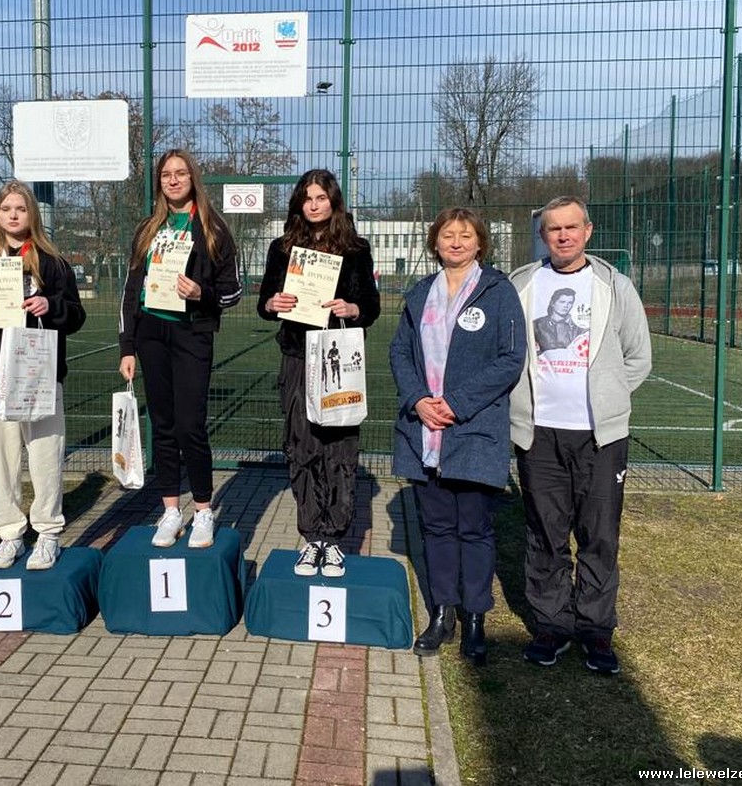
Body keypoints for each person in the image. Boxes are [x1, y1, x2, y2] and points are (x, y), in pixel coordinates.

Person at [510, 195, 652, 675]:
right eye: (554, 229)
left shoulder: (615, 285)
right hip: (539, 434)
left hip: (600, 437)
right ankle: (552, 625)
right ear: (543, 235)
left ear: (588, 231)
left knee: (599, 535)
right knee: (545, 533)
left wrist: (607, 398)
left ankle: (595, 630)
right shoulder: (522, 284)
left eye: (572, 227)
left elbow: (638, 357)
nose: (564, 235)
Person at [389, 208, 525, 664]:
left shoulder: (498, 292)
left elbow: (510, 359)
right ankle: (442, 613)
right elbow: (399, 352)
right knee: (436, 528)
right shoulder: (419, 293)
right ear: (435, 242)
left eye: (466, 235)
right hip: (424, 430)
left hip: (472, 431)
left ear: (480, 243)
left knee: (474, 528)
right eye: (448, 234)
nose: (456, 242)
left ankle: (475, 617)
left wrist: (457, 403)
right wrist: (417, 400)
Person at [0, 181, 86, 571]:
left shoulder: (54, 262)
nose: (13, 215)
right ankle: (10, 533)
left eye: (21, 208)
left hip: (39, 373)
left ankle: (48, 533)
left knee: (45, 455)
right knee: (2, 459)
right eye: (6, 208)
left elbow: (76, 316)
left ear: (32, 214)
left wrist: (51, 304)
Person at [257, 169, 380, 578]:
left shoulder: (356, 248)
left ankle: (336, 539)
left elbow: (371, 306)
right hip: (297, 357)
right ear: (299, 203)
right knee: (302, 446)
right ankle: (312, 538)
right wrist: (273, 303)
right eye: (307, 198)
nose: (313, 205)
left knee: (339, 448)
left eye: (321, 198)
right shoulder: (282, 248)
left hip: (339, 358)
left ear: (333, 202)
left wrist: (353, 308)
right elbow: (264, 302)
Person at [119, 149, 242, 549]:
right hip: (151, 336)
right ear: (159, 182)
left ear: (193, 179)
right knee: (164, 426)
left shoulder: (213, 228)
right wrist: (127, 346)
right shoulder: (147, 229)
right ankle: (170, 510)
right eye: (166, 175)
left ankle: (203, 511)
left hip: (192, 335)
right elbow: (130, 291)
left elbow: (233, 292)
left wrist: (201, 293)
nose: (173, 180)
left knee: (191, 425)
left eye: (180, 173)